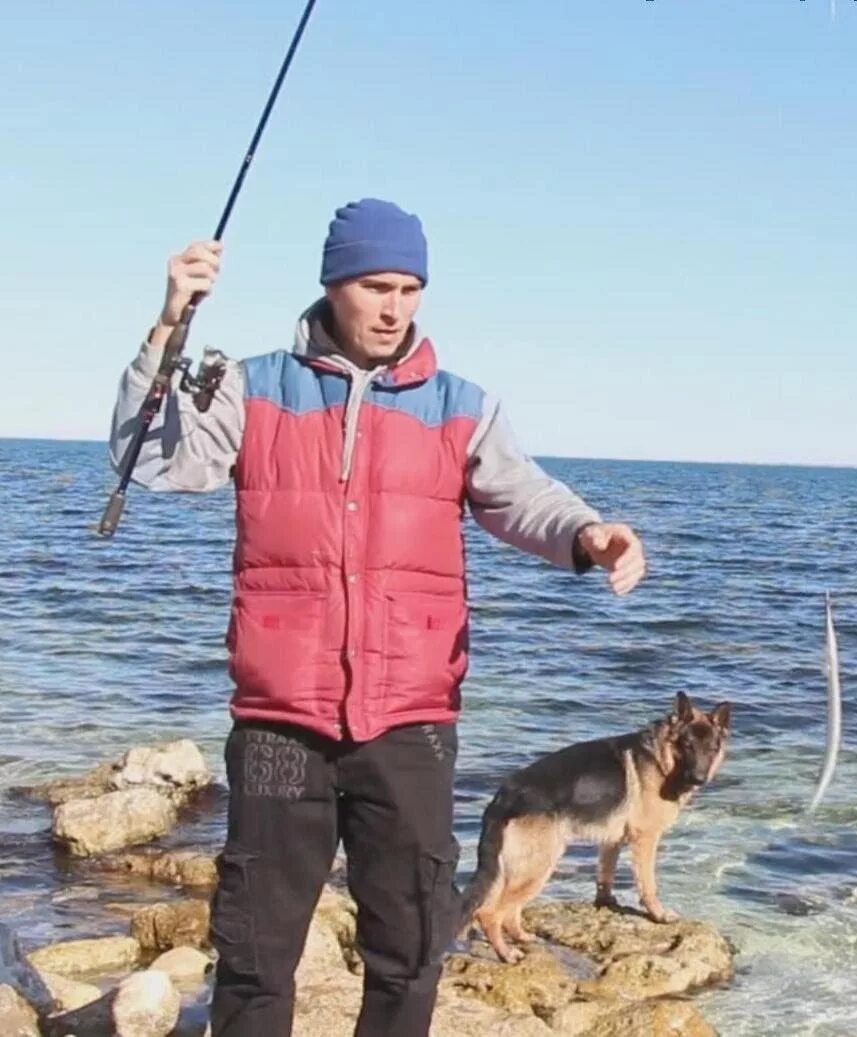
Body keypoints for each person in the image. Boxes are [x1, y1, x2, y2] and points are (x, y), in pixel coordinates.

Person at [107, 198, 647, 1035]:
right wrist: (167, 327)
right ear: (333, 285)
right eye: (376, 285)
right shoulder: (255, 386)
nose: (395, 307)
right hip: (281, 721)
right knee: (254, 951)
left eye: (410, 288)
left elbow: (521, 497)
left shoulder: (458, 405)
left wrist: (587, 533)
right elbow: (152, 458)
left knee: (412, 946)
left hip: (409, 723)